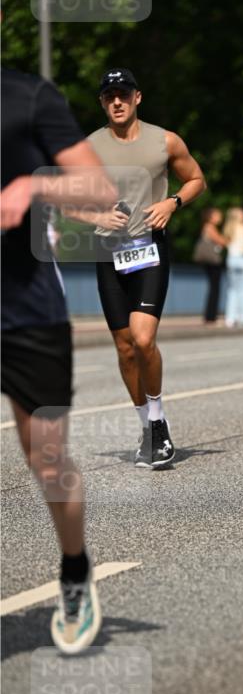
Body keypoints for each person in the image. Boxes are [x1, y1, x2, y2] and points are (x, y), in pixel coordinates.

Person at [1, 66, 117, 653]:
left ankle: (75, 571)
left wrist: (32, 186)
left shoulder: (29, 96)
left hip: (26, 312)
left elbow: (98, 190)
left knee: (46, 456)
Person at [64, 68, 206, 468]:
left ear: (137, 98)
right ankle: (147, 426)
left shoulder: (165, 140)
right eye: (109, 96)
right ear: (102, 103)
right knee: (126, 350)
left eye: (123, 94)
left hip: (149, 250)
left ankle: (159, 422)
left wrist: (172, 203)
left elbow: (196, 178)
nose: (117, 101)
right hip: (108, 254)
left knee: (143, 340)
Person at [194, 206, 227, 324]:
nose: (220, 218)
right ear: (211, 217)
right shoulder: (209, 227)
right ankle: (210, 317)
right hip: (212, 262)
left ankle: (210, 316)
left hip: (210, 261)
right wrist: (229, 239)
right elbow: (221, 241)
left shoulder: (208, 227)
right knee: (215, 288)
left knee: (214, 288)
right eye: (217, 215)